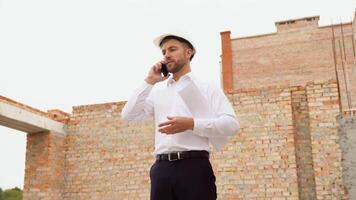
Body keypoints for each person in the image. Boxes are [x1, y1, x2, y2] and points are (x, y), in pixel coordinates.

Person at [121, 32, 239, 200]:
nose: (166, 55)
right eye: (163, 52)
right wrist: (149, 81)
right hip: (161, 170)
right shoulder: (157, 92)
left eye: (172, 49)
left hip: (194, 168)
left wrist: (192, 124)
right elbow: (128, 115)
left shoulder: (207, 87)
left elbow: (231, 125)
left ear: (188, 53)